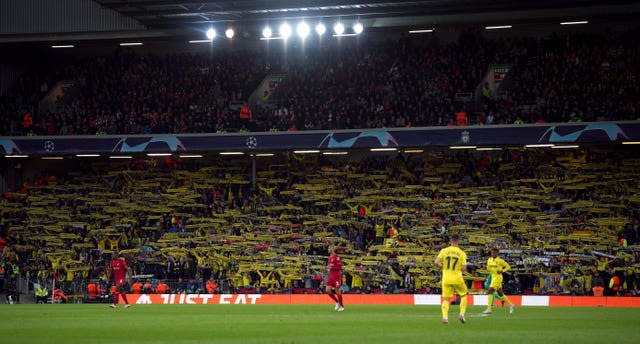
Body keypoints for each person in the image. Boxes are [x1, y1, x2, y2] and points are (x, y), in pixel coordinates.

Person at [434, 234, 468, 324]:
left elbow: (436, 262)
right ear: (458, 241)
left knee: (446, 299)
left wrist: (442, 266)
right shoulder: (462, 253)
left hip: (446, 278)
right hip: (457, 278)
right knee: (464, 295)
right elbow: (464, 268)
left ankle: (445, 317)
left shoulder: (444, 250)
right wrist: (458, 268)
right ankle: (462, 314)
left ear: (450, 241)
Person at [482, 247, 514, 315]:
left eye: (494, 252)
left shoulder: (500, 260)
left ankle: (489, 308)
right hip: (493, 277)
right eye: (492, 252)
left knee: (490, 291)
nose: (492, 254)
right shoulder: (489, 259)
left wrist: (502, 270)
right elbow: (488, 268)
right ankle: (511, 304)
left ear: (497, 253)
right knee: (500, 293)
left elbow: (508, 267)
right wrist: (485, 268)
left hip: (498, 278)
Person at [325, 245, 344, 311]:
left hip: (336, 276)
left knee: (337, 291)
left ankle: (341, 306)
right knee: (327, 290)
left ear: (333, 249)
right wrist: (327, 268)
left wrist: (331, 267)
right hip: (331, 275)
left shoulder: (337, 257)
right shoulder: (330, 257)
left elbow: (340, 267)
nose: (328, 249)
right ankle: (337, 302)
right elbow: (329, 266)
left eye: (329, 248)